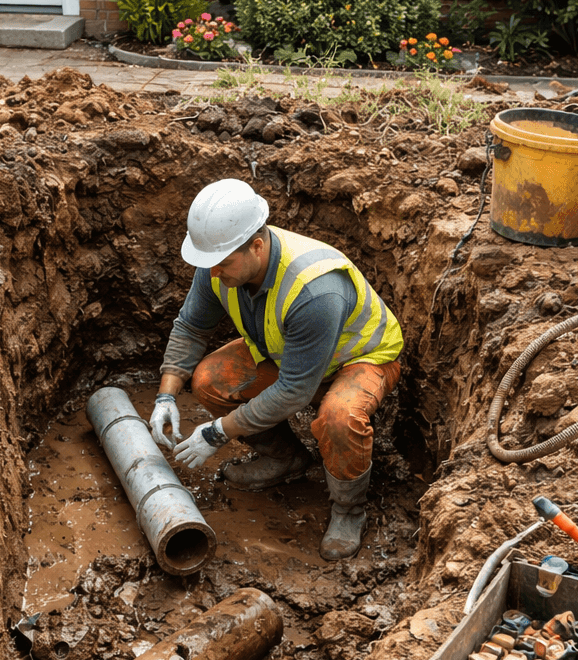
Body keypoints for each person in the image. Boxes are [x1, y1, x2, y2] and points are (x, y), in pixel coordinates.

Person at [149, 178, 403, 560]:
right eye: (209, 263)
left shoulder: (315, 291)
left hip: (359, 359)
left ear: (256, 246)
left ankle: (349, 510)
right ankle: (285, 459)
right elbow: (191, 327)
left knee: (338, 417)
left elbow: (294, 392)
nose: (213, 272)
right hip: (292, 356)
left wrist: (218, 433)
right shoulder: (218, 263)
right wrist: (165, 397)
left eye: (222, 263)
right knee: (210, 381)